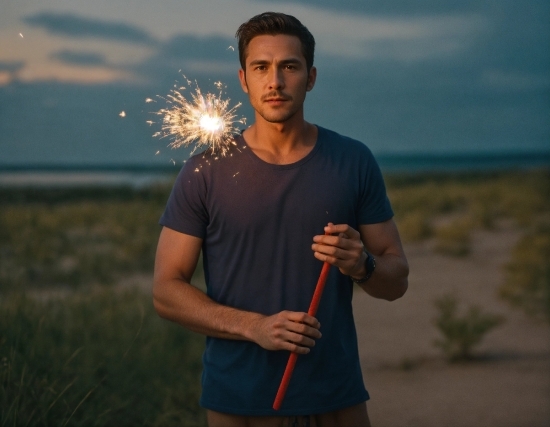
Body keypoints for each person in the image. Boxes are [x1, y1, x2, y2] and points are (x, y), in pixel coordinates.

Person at [153, 11, 409, 427]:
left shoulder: (353, 161)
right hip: (238, 402)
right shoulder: (204, 170)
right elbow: (166, 292)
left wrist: (362, 265)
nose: (275, 81)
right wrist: (254, 327)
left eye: (289, 66)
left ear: (310, 77)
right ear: (243, 79)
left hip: (336, 398)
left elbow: (397, 280)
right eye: (261, 67)